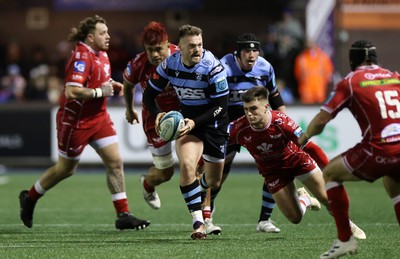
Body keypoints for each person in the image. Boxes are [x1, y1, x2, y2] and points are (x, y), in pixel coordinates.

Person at [18, 15, 150, 231]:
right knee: (66, 169)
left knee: (116, 162)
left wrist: (111, 85)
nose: (108, 36)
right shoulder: (81, 56)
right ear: (90, 37)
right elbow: (71, 91)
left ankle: (123, 214)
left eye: (107, 32)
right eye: (103, 33)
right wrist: (100, 91)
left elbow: (98, 82)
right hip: (76, 122)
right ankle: (29, 197)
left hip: (99, 118)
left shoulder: (102, 54)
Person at [298, 40, 400, 258]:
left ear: (353, 60)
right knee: (394, 185)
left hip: (379, 149)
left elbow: (322, 119)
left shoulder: (351, 81)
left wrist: (304, 136)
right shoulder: (395, 76)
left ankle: (345, 240)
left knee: (331, 173)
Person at [230, 86, 366, 239]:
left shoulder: (281, 122)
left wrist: (328, 170)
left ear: (266, 106)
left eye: (253, 108)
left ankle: (348, 226)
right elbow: (216, 145)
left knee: (327, 198)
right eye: (246, 109)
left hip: (297, 161)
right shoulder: (238, 128)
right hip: (273, 172)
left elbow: (312, 148)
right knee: (295, 218)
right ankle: (306, 199)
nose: (249, 113)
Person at [142, 24, 229, 240]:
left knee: (213, 181)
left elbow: (221, 107)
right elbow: (148, 96)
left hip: (214, 124)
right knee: (188, 165)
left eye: (199, 45)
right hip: (186, 124)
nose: (197, 49)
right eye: (191, 46)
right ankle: (198, 222)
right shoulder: (169, 64)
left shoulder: (213, 67)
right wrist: (158, 114)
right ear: (179, 47)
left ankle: (199, 188)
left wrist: (195, 122)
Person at [201, 33, 286, 235]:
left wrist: (284, 121)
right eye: (247, 51)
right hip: (228, 125)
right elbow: (212, 100)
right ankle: (207, 215)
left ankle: (265, 220)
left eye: (255, 50)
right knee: (218, 176)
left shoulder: (265, 67)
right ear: (237, 54)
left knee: (274, 165)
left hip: (257, 124)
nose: (252, 55)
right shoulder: (222, 68)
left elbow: (274, 95)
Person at [123, 21, 180, 210]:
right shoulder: (138, 64)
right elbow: (128, 84)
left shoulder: (181, 56)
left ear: (167, 44)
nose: (155, 55)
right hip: (154, 119)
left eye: (158, 49)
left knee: (195, 163)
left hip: (184, 115)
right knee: (165, 173)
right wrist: (129, 109)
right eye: (150, 50)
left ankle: (202, 213)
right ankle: (147, 185)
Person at [294, 40, 334, 104]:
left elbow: (328, 75)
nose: (311, 46)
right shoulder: (301, 59)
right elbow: (298, 75)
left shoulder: (324, 58)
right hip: (306, 95)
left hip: (320, 94)